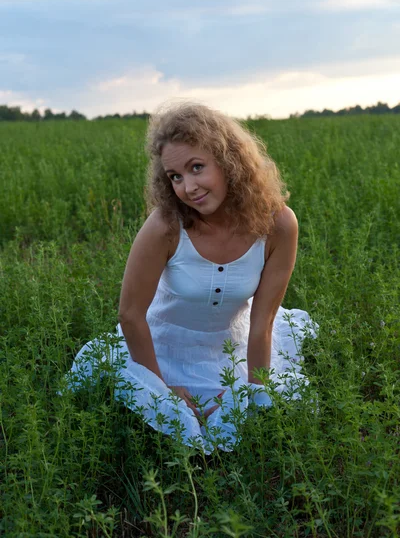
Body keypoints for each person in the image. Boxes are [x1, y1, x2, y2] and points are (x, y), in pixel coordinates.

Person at [68, 102, 317, 453]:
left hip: (231, 348)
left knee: (260, 413)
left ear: (229, 161)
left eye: (197, 167)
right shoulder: (165, 226)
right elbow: (130, 315)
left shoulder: (278, 224)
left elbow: (264, 322)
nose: (188, 187)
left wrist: (251, 393)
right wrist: (161, 386)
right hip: (159, 348)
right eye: (175, 177)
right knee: (169, 423)